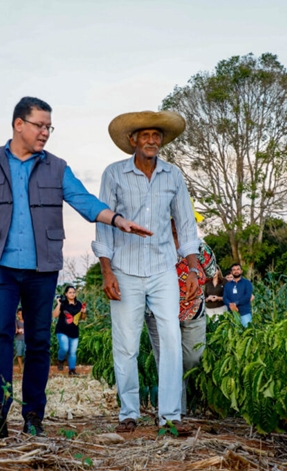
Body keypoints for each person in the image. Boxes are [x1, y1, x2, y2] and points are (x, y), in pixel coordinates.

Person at [0, 96, 151, 439]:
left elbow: (84, 200)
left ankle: (33, 416)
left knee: (38, 341)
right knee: (0, 333)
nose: (45, 132)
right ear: (19, 124)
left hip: (42, 269)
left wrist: (117, 219)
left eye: (49, 127)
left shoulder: (57, 167)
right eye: (39, 125)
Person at [93, 110, 200, 436]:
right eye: (146, 135)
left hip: (163, 268)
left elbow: (185, 223)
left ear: (161, 141)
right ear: (133, 141)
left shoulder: (173, 176)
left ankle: (170, 416)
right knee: (126, 344)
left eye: (157, 136)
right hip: (125, 269)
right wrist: (107, 271)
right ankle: (128, 413)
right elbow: (104, 223)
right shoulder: (114, 174)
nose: (152, 140)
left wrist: (192, 269)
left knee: (170, 340)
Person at [145, 219, 217, 417]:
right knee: (167, 362)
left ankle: (181, 405)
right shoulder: (152, 246)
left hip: (193, 312)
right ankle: (175, 414)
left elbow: (212, 272)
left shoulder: (199, 246)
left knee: (193, 358)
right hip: (159, 313)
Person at [53, 285, 86, 377]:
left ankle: (72, 370)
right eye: (70, 292)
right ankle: (60, 360)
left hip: (74, 331)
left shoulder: (79, 304)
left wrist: (83, 312)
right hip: (62, 330)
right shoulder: (62, 303)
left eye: (73, 292)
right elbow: (54, 315)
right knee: (64, 348)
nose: (72, 294)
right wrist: (58, 304)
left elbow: (82, 318)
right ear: (66, 294)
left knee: (72, 352)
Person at [14, 308, 25, 374]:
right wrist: (18, 330)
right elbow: (15, 330)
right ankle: (21, 368)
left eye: (22, 314)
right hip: (19, 340)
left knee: (27, 353)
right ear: (17, 315)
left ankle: (25, 367)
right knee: (19, 354)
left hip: (26, 340)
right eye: (19, 314)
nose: (20, 316)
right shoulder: (16, 322)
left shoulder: (27, 322)